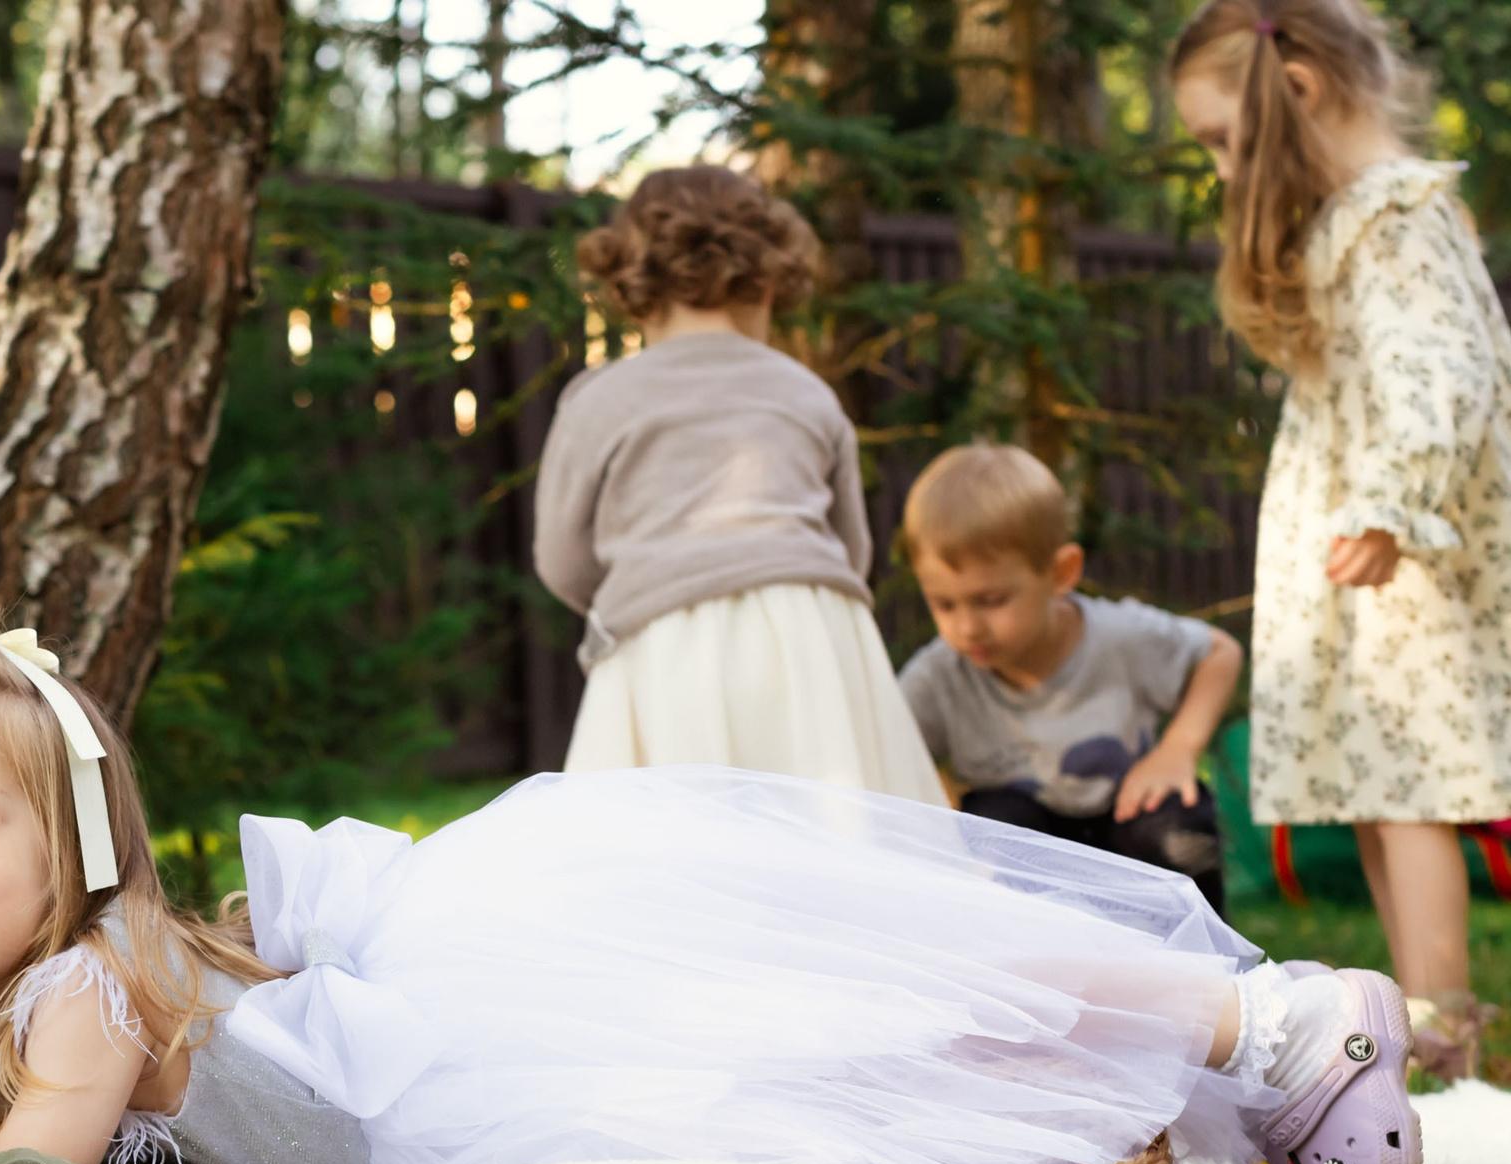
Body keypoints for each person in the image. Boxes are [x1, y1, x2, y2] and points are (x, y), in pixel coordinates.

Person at [0, 625, 1425, 1164]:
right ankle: (1237, 1080)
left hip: (469, 1045)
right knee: (843, 1042)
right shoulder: (37, 1003)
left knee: (842, 979)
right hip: (445, 1055)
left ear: (80, 838)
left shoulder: (82, 986)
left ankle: (1271, 1020)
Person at [1171, 0, 1511, 1079]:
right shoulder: (1354, 220)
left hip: (1405, 562)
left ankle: (1444, 1045)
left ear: (1297, 91)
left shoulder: (1395, 217)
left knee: (1409, 794)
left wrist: (1387, 507)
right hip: (1365, 565)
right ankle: (1402, 1031)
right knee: (1376, 791)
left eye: (1224, 140)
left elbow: (1443, 375)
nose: (1224, 170)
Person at [533, 165, 946, 805]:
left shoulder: (599, 400)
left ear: (631, 285)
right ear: (770, 280)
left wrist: (641, 587)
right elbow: (851, 548)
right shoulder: (808, 392)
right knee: (838, 827)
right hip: (815, 635)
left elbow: (561, 558)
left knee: (671, 838)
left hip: (667, 640)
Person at [896, 443, 1244, 918]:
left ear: (1061, 573)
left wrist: (1179, 748)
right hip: (1030, 842)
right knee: (994, 827)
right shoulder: (940, 675)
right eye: (944, 604)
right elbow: (887, 736)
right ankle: (1035, 961)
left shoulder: (1120, 637)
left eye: (991, 601)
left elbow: (1220, 653)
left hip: (1127, 822)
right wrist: (938, 794)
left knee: (1176, 828)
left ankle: (1206, 957)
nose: (968, 627)